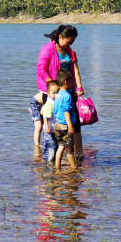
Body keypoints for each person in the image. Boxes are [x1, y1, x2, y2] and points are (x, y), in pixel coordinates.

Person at [37, 25, 85, 158]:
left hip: (68, 91)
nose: (69, 44)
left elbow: (74, 70)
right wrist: (52, 85)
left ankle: (78, 154)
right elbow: (41, 69)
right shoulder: (47, 49)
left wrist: (78, 88)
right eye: (68, 41)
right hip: (52, 92)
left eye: (72, 42)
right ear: (60, 37)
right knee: (54, 122)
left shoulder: (70, 51)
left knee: (74, 122)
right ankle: (51, 154)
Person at [52, 70, 79, 169]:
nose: (73, 84)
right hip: (65, 126)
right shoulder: (67, 96)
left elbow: (55, 109)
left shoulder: (58, 95)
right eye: (72, 82)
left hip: (57, 125)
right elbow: (66, 111)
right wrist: (70, 127)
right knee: (69, 150)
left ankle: (57, 167)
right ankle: (73, 168)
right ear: (66, 82)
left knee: (60, 147)